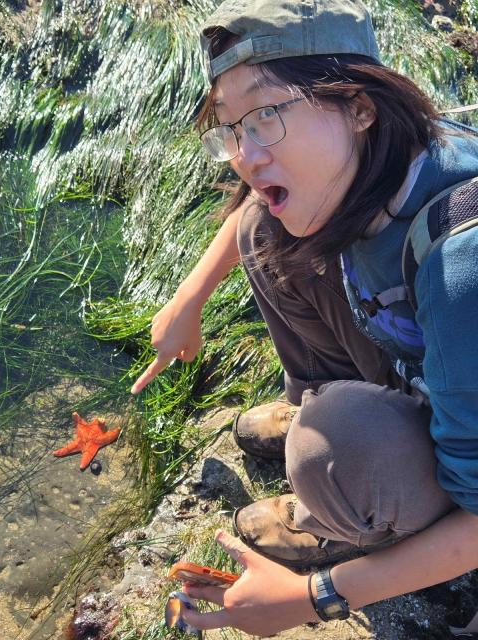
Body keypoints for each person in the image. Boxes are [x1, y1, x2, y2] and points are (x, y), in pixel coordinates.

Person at [131, 0, 478, 635]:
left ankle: (349, 505)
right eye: (232, 128)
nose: (244, 154)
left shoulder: (465, 262)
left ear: (360, 105)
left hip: (469, 461)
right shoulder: (389, 157)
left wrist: (312, 598)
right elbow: (250, 215)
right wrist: (188, 301)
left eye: (265, 116)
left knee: (336, 442)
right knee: (267, 231)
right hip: (433, 367)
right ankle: (329, 424)